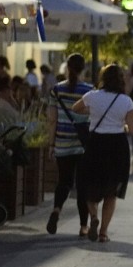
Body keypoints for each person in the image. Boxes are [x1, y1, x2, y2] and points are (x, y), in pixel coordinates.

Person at [72, 64, 133, 243]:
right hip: (117, 146)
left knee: (88, 185)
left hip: (95, 144)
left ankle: (93, 216)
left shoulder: (92, 96)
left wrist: (91, 112)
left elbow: (75, 108)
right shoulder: (126, 101)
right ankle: (103, 233)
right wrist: (121, 125)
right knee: (111, 193)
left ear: (103, 78)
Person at [46, 53, 92, 237]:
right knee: (82, 186)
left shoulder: (56, 90)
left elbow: (51, 119)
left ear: (67, 68)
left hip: (62, 142)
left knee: (64, 181)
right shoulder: (89, 90)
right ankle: (83, 226)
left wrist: (51, 144)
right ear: (83, 69)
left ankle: (57, 209)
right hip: (82, 144)